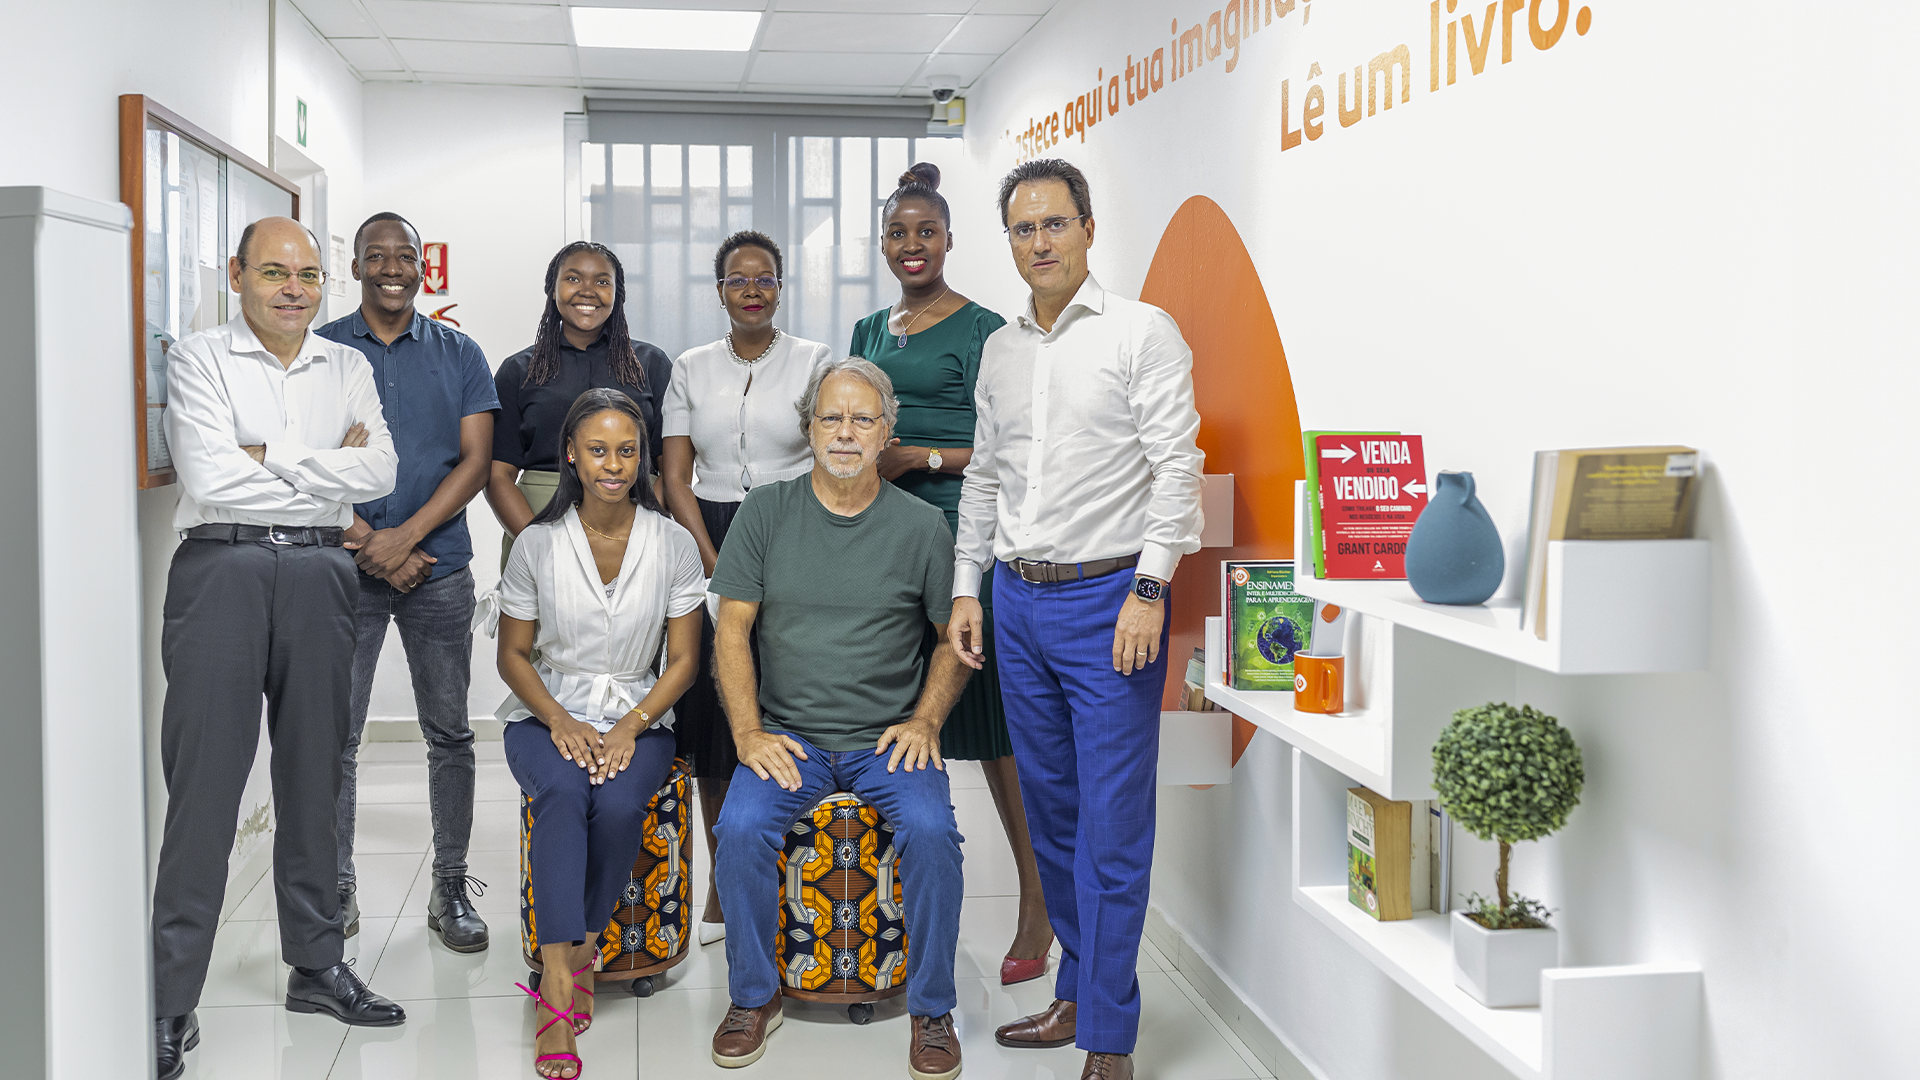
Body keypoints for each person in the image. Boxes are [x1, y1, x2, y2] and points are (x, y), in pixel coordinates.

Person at [950, 161, 1204, 1080]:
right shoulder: (1001, 349)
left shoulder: (1142, 333)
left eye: (1055, 224)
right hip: (1017, 600)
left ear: (1089, 228)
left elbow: (1177, 470)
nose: (1040, 243)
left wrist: (1149, 588)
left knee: (1111, 825)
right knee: (1052, 815)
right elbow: (984, 477)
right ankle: (1073, 991)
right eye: (1023, 230)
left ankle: (1109, 1034)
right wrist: (966, 588)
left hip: (1111, 605)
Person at [151, 217, 406, 1080]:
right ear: (237, 275)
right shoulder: (199, 358)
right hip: (221, 569)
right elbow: (212, 475)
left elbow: (382, 474)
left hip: (322, 575)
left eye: (306, 274)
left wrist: (272, 452)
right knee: (205, 788)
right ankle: (171, 997)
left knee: (314, 772)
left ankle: (317, 966)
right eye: (273, 272)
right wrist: (324, 460)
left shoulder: (350, 365)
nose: (293, 288)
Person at [707, 358, 971, 1080]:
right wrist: (748, 733)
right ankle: (754, 996)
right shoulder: (765, 511)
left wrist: (925, 722)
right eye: (831, 417)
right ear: (809, 429)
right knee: (737, 827)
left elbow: (954, 636)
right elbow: (732, 630)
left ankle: (933, 1008)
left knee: (932, 831)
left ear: (887, 432)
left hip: (885, 740)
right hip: (788, 735)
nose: (846, 432)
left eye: (862, 419)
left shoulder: (921, 526)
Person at [849, 163, 1055, 986]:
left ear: (949, 239)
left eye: (925, 231)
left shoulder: (983, 330)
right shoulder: (868, 329)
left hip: (967, 537)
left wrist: (921, 457)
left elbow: (1010, 443)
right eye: (897, 233)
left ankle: (1037, 905)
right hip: (888, 542)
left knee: (998, 732)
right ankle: (881, 908)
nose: (911, 245)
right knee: (901, 722)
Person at [486, 388, 706, 1080]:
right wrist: (561, 719)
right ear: (573, 458)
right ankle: (558, 990)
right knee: (560, 790)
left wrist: (630, 727)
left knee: (613, 802)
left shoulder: (671, 543)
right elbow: (512, 657)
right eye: (599, 450)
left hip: (641, 714)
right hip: (544, 711)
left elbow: (686, 662)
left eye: (627, 450)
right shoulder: (537, 545)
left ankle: (575, 951)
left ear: (642, 458)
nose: (614, 464)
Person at [318, 211, 499, 952]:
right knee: (336, 737)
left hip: (438, 569)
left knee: (450, 733)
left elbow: (475, 462)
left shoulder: (459, 351)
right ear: (355, 265)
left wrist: (405, 538)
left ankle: (450, 886)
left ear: (423, 267)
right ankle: (336, 890)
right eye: (377, 255)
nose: (392, 267)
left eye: (406, 256)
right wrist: (367, 538)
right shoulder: (321, 350)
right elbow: (304, 460)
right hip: (341, 566)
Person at [659, 230, 832, 946]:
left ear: (781, 287)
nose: (752, 290)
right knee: (714, 715)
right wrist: (709, 557)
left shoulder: (816, 361)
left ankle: (800, 874)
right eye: (738, 280)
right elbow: (674, 475)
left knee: (789, 702)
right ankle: (727, 886)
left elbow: (833, 454)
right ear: (721, 290)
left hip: (796, 530)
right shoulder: (690, 368)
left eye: (765, 279)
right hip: (710, 532)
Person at [487, 242, 671, 559]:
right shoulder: (518, 370)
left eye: (602, 281)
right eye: (573, 279)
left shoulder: (651, 364)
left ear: (618, 292)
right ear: (552, 288)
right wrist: (538, 546)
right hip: (538, 524)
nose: (588, 291)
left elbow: (672, 471)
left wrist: (638, 533)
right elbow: (497, 475)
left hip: (635, 526)